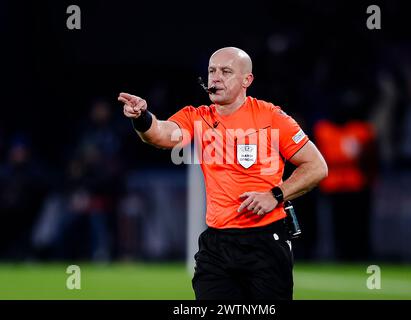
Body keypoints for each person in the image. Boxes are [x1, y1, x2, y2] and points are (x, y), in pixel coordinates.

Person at [118, 47, 328, 300]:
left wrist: (275, 194)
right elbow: (160, 135)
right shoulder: (198, 117)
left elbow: (317, 166)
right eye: (211, 71)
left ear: (246, 80)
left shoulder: (271, 116)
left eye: (225, 71)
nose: (215, 77)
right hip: (217, 245)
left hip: (265, 241)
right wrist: (142, 117)